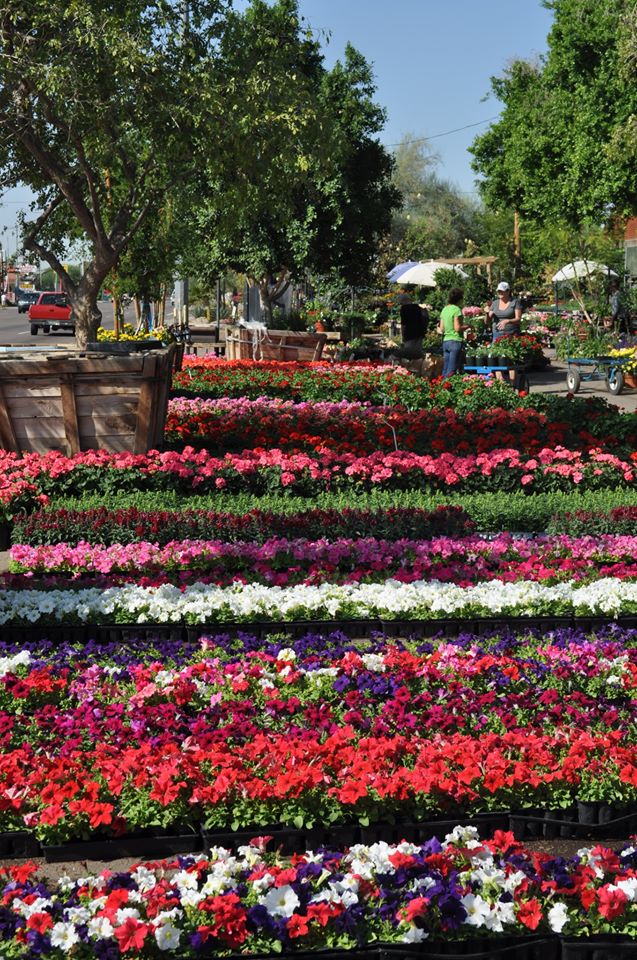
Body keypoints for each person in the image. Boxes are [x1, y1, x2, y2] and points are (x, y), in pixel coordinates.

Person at [439, 287, 470, 377]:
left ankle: (441, 387)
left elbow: (442, 328)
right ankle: (448, 388)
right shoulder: (456, 309)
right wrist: (468, 326)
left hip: (446, 341)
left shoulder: (444, 309)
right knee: (452, 370)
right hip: (455, 341)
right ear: (459, 299)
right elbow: (457, 328)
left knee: (445, 368)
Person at [389, 292, 428, 359]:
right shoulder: (418, 307)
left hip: (409, 333)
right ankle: (417, 365)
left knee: (408, 352)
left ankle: (407, 365)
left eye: (401, 302)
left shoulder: (404, 309)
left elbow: (403, 323)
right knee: (418, 352)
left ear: (403, 301)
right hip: (419, 333)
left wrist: (403, 335)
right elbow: (425, 318)